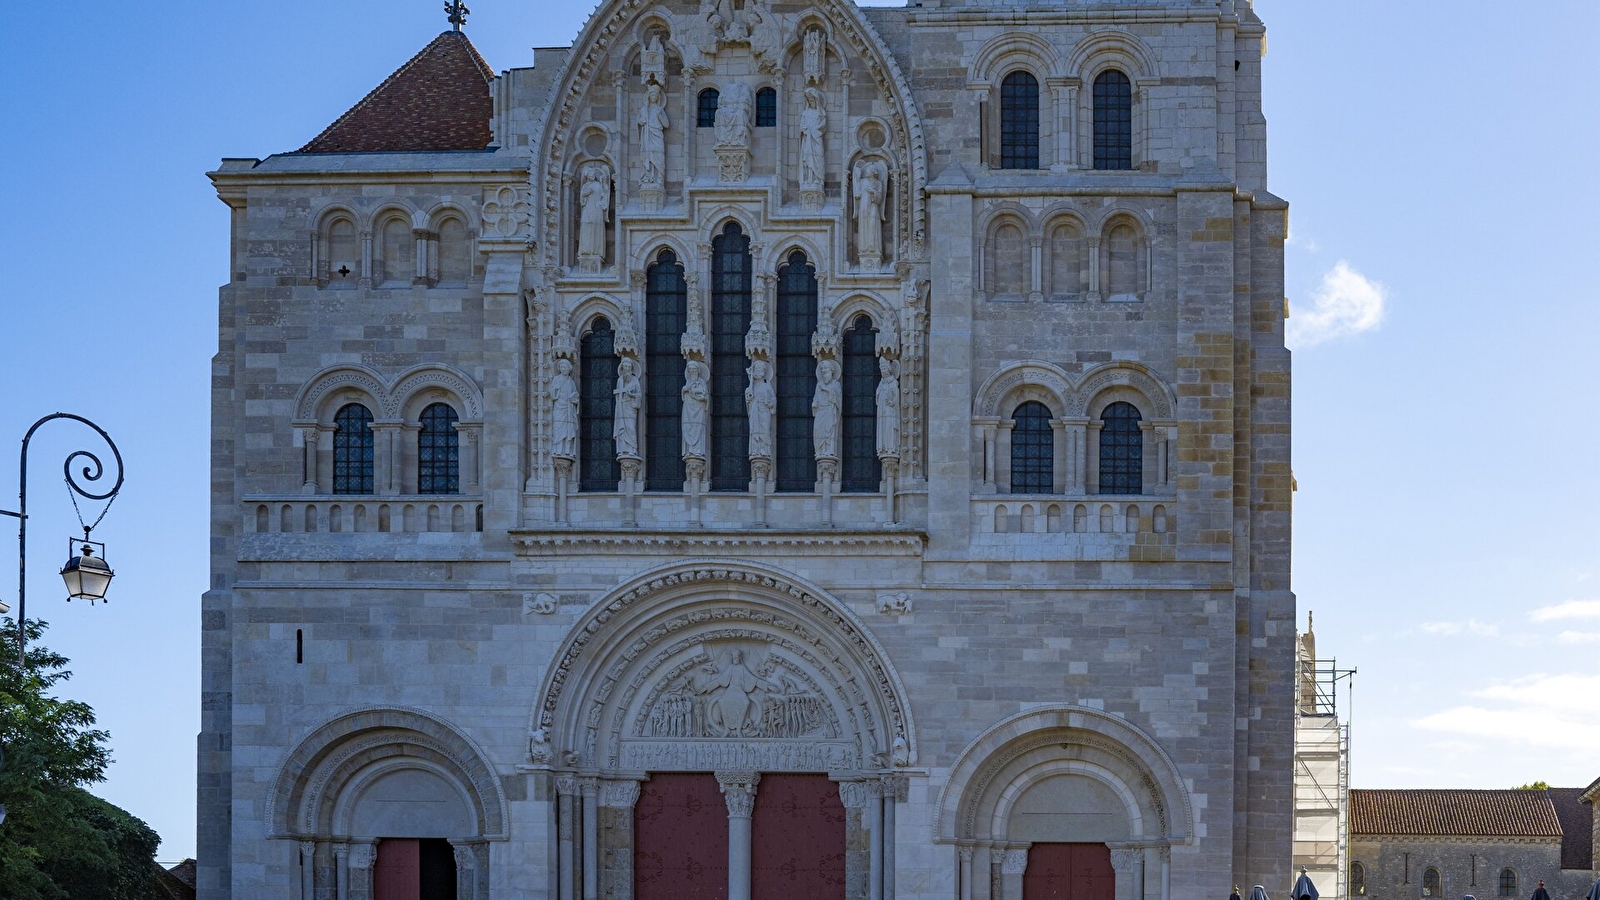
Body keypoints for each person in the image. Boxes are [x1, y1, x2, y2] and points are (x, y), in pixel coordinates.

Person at [637, 82, 668, 187]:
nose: (653, 97)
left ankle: (659, 178)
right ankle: (648, 177)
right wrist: (641, 121)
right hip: (647, 135)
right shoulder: (643, 110)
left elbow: (667, 125)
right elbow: (638, 122)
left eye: (655, 95)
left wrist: (660, 116)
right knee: (648, 156)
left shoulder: (660, 109)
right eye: (652, 95)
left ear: (658, 97)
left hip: (657, 135)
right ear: (648, 96)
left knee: (659, 155)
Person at [550, 357, 579, 459]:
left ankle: (567, 450)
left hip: (569, 409)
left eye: (565, 367)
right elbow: (553, 395)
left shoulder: (571, 382)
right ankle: (558, 450)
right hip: (559, 408)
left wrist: (575, 401)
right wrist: (556, 390)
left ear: (569, 368)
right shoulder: (556, 379)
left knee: (568, 431)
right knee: (558, 430)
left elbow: (575, 396)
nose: (563, 369)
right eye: (561, 367)